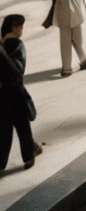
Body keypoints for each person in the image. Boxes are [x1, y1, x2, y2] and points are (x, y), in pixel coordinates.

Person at [0, 15, 37, 172]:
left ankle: (2, 164)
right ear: (14, 28)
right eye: (21, 27)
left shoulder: (10, 45)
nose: (22, 30)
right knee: (21, 128)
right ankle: (29, 156)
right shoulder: (17, 45)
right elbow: (18, 70)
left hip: (5, 95)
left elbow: (16, 70)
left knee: (4, 131)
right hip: (14, 94)